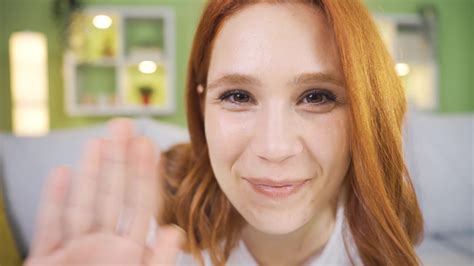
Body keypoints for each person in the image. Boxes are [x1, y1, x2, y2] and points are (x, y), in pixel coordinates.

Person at [26, 0, 424, 265]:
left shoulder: (382, 234)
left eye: (316, 96)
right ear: (201, 105)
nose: (274, 148)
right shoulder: (146, 231)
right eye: (238, 95)